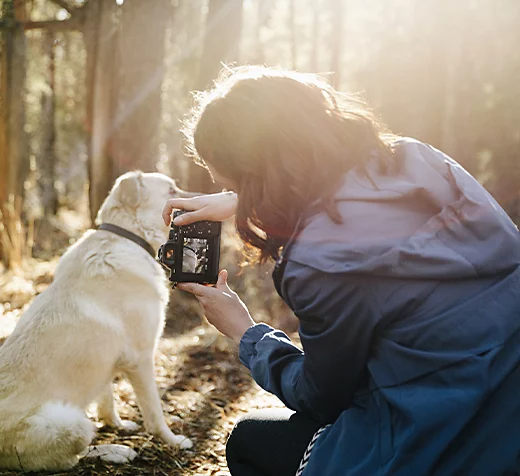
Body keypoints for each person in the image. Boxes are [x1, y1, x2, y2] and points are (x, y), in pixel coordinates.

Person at [163, 66, 520, 476]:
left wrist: (247, 334)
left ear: (257, 177)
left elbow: (321, 397)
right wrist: (242, 198)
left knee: (250, 440)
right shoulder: (418, 158)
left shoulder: (322, 261)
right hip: (508, 402)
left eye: (236, 185)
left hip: (449, 435)